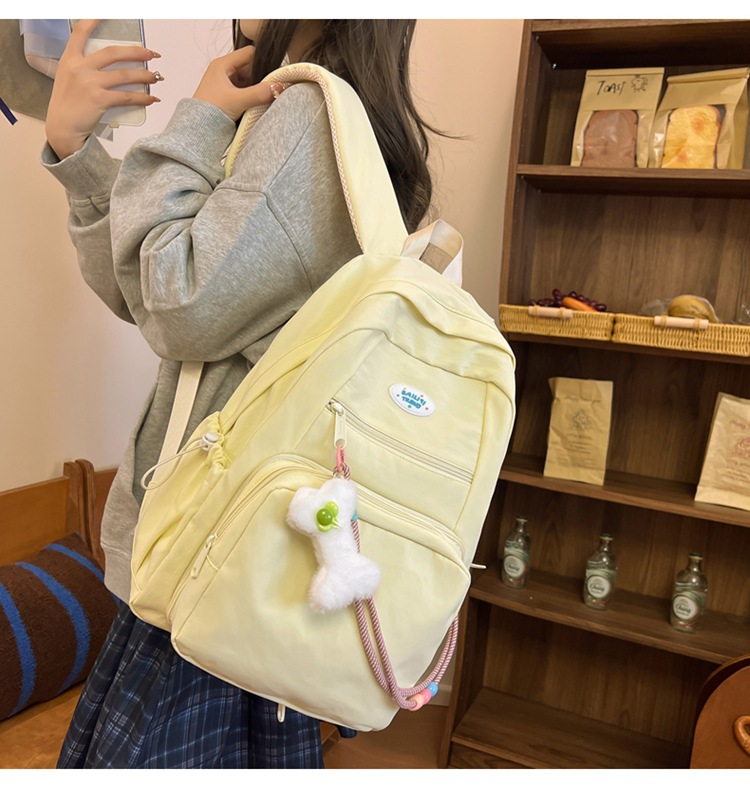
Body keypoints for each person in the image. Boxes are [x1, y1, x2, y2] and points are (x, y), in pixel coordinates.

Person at [42, 18, 440, 768]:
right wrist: (79, 154)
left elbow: (175, 303)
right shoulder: (312, 112)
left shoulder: (308, 114)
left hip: (207, 555)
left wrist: (196, 121)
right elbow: (149, 294)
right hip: (238, 553)